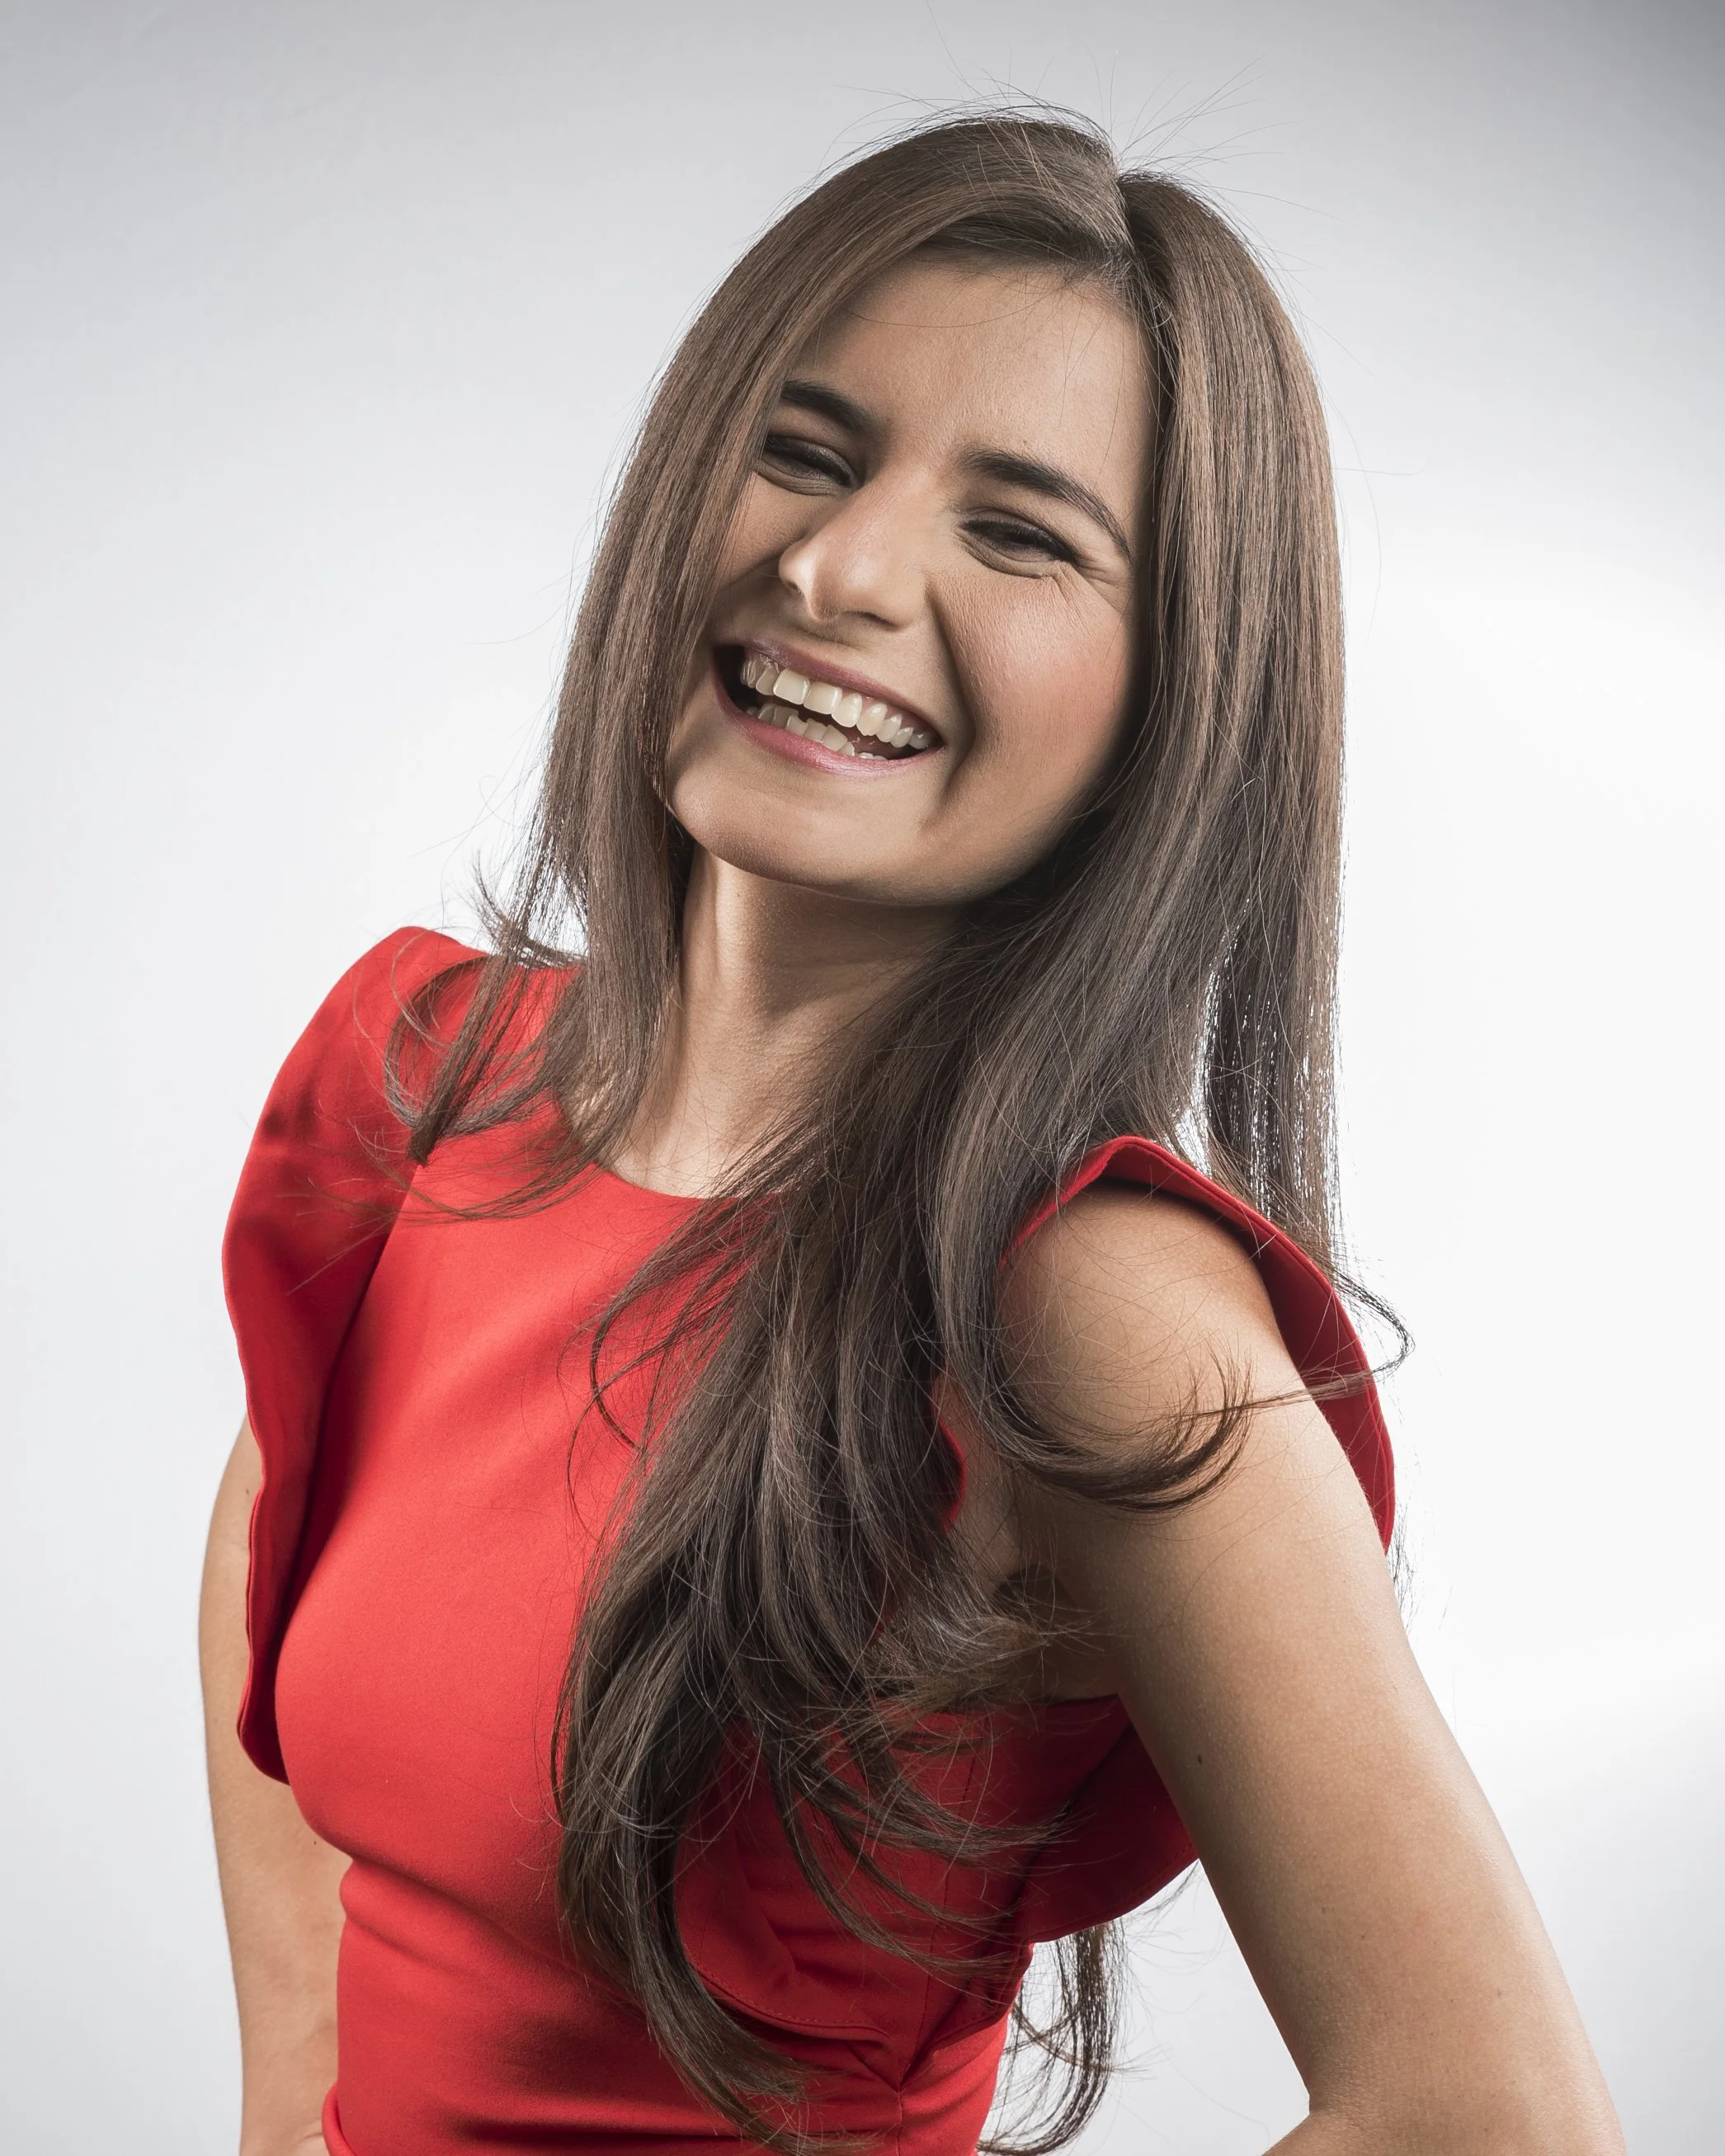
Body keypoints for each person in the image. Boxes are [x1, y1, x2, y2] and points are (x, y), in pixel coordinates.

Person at [199, 111, 1624, 2156]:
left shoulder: (1088, 1302)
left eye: (1022, 532)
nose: (845, 568)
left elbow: (1488, 2116)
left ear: (1175, 696)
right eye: (805, 448)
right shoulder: (417, 1082)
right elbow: (294, 1799)